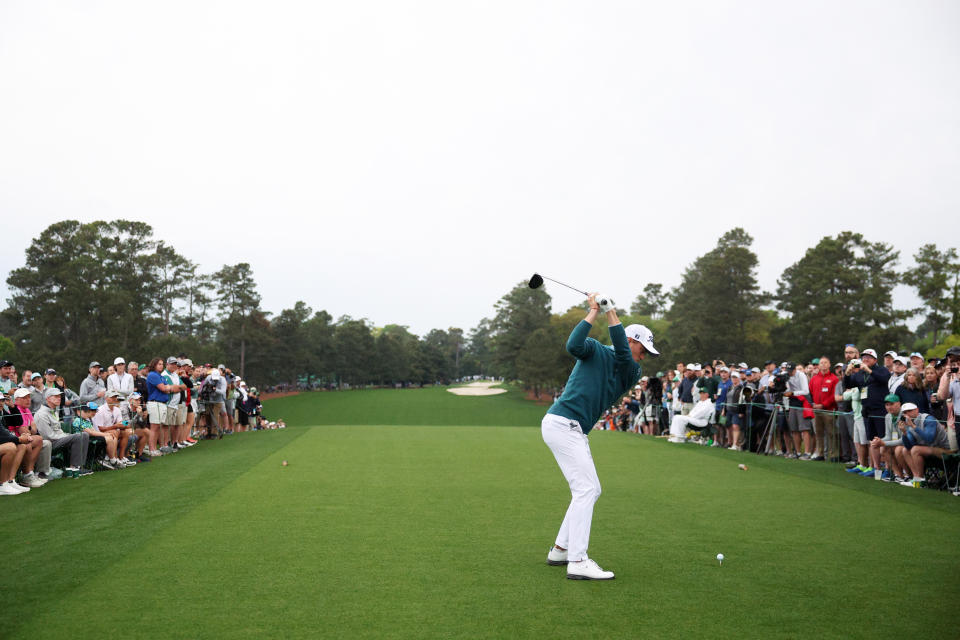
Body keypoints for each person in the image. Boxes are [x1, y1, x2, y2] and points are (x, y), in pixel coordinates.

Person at [542, 294, 656, 581]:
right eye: (644, 349)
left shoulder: (632, 369)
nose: (644, 357)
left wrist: (611, 314)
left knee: (590, 489)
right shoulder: (593, 349)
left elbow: (620, 352)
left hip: (572, 428)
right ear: (633, 341)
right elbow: (573, 345)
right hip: (563, 422)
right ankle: (577, 560)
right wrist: (594, 312)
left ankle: (560, 548)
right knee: (586, 490)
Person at [35, 388, 91, 477]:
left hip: (57, 440)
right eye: (56, 396)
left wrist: (66, 436)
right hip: (49, 443)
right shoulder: (41, 414)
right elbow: (48, 436)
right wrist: (66, 436)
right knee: (80, 435)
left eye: (59, 396)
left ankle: (78, 467)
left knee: (84, 435)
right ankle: (74, 468)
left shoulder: (54, 411)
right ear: (48, 398)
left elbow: (57, 431)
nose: (59, 398)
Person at [894, 402, 951, 488]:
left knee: (915, 449)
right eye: (905, 412)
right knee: (904, 450)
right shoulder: (910, 423)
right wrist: (904, 433)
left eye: (909, 411)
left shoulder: (928, 419)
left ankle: (920, 480)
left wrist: (913, 426)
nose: (907, 414)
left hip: (943, 449)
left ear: (917, 410)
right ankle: (915, 479)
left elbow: (929, 438)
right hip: (928, 449)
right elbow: (909, 446)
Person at [810, 356, 838, 461]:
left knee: (831, 433)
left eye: (825, 363)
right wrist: (814, 404)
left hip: (829, 410)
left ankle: (834, 454)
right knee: (819, 433)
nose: (823, 365)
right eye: (821, 363)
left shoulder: (834, 378)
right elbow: (811, 392)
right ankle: (820, 453)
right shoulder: (814, 378)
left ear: (829, 364)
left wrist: (823, 404)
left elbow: (833, 395)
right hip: (816, 410)